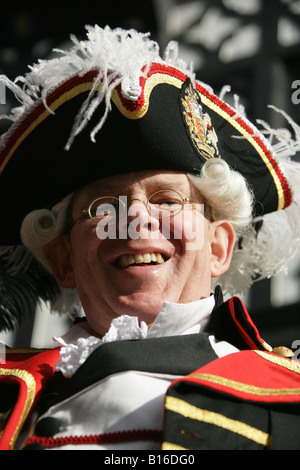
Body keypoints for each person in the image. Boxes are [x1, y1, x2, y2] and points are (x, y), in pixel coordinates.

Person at [0, 25, 300, 451]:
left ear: (218, 248)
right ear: (64, 258)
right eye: (104, 206)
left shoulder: (290, 399)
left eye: (167, 201)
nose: (136, 219)